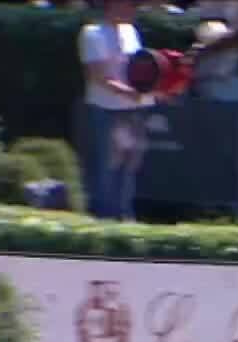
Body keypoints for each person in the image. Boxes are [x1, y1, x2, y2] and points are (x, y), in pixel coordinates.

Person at [78, 0, 154, 221]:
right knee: (108, 166)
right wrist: (128, 92)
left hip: (133, 110)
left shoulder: (131, 31)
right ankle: (104, 218)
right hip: (107, 109)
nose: (134, 9)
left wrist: (150, 89)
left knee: (130, 164)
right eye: (130, 5)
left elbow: (138, 69)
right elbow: (97, 76)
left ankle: (125, 216)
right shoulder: (92, 33)